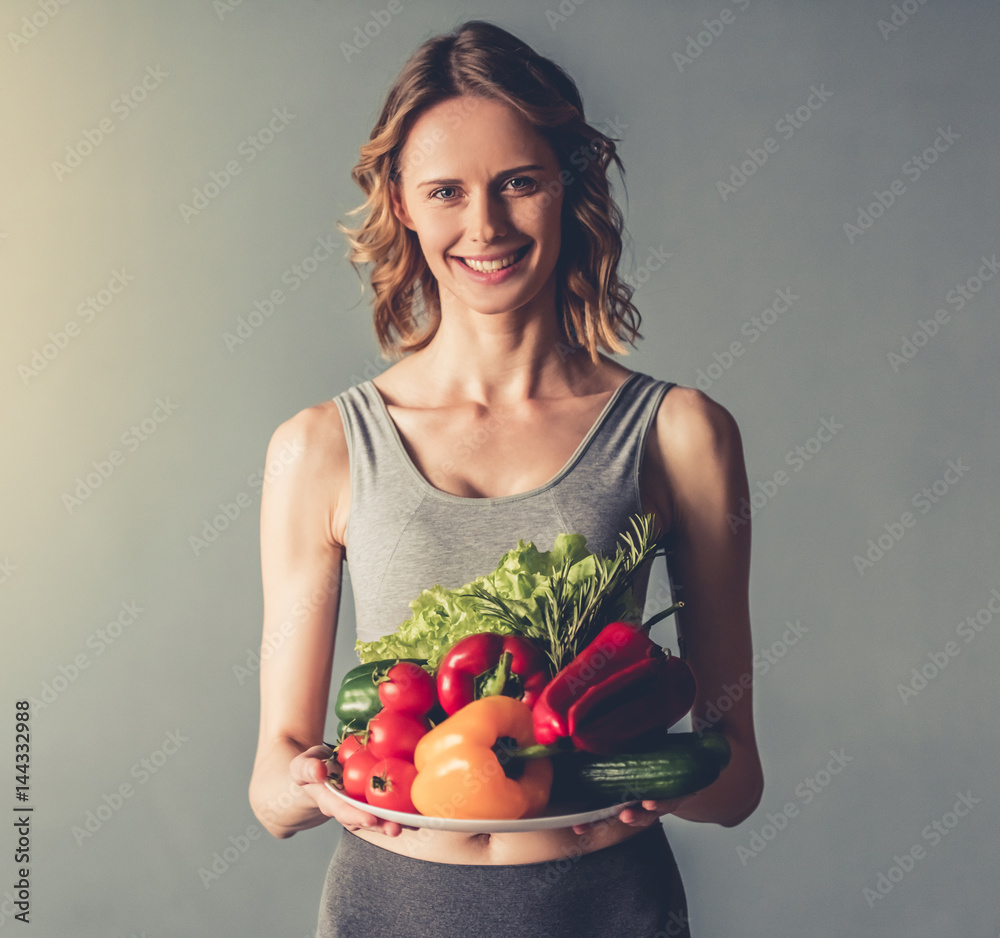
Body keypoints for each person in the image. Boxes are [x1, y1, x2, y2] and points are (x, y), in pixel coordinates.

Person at [249, 19, 763, 938]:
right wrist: (307, 786)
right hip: (389, 909)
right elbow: (271, 787)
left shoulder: (681, 434)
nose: (484, 226)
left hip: (608, 907)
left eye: (518, 183)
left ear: (567, 185)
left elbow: (735, 782)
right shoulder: (322, 446)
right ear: (402, 203)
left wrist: (666, 782)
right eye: (446, 191)